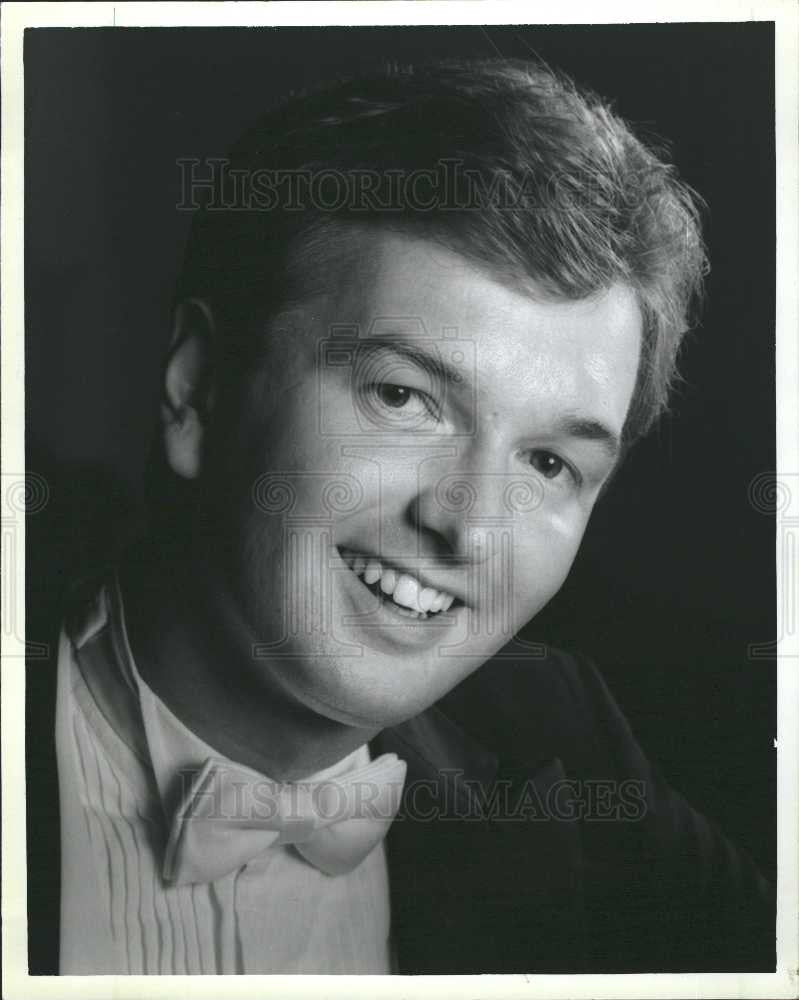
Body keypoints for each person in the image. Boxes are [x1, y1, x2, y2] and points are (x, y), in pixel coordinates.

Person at [42, 58, 772, 974]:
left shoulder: (559, 750)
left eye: (548, 462)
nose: (467, 529)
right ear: (199, 390)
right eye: (403, 397)